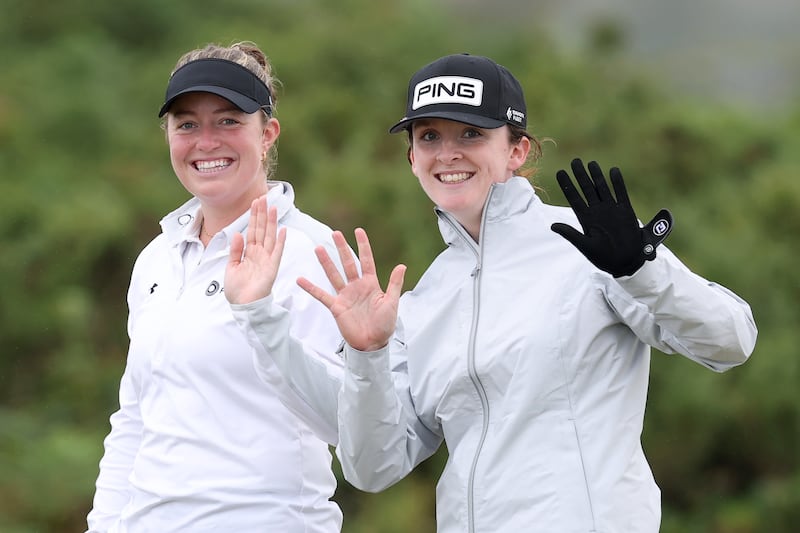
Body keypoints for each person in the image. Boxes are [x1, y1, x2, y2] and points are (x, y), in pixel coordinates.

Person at [228, 53, 757, 532]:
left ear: (516, 150)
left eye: (471, 134)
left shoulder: (597, 247)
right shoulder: (425, 298)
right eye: (429, 137)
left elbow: (731, 340)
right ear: (411, 158)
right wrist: (367, 356)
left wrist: (640, 270)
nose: (447, 154)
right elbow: (373, 467)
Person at [85, 42, 347, 533]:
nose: (206, 142)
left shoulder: (313, 252)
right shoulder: (157, 258)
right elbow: (135, 421)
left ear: (267, 134)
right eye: (186, 125)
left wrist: (261, 319)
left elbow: (347, 424)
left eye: (228, 121)